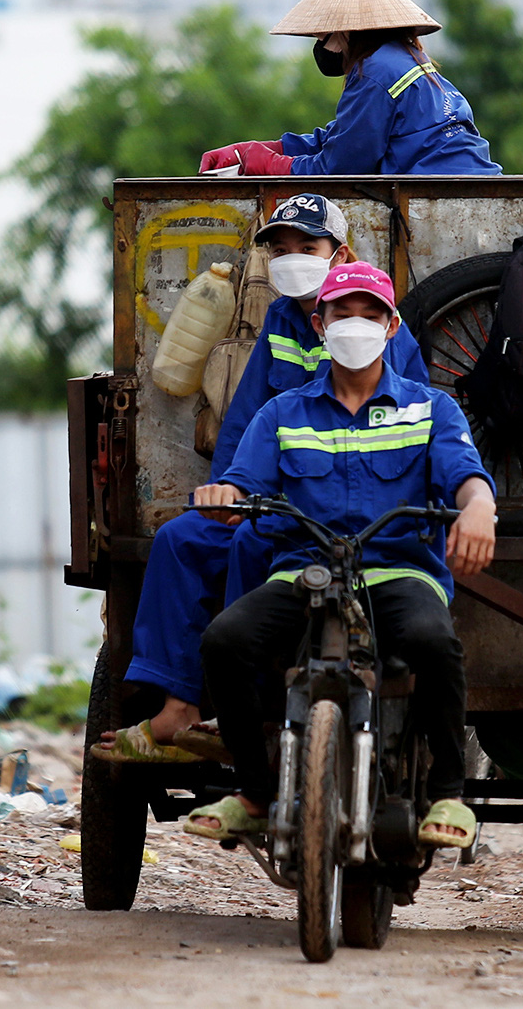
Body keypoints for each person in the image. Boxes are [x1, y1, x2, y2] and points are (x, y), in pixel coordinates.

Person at [91, 196, 430, 762]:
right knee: (180, 539)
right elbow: (248, 419)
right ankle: (179, 705)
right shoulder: (281, 319)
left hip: (336, 514)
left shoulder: (374, 331)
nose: (293, 259)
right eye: (282, 249)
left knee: (253, 544)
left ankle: (243, 712)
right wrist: (230, 491)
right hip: (272, 501)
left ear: (340, 254)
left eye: (308, 247)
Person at [181, 262, 496, 849]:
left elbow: (466, 476)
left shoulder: (430, 408)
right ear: (319, 326)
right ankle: (254, 793)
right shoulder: (282, 413)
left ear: (392, 325)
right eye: (341, 313)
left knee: (434, 642)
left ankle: (449, 793)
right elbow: (242, 483)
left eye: (369, 314)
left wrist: (479, 508)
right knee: (223, 641)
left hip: (399, 570)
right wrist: (224, 497)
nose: (356, 324)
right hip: (304, 572)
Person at [198, 0, 500, 178]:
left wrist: (272, 165)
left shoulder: (374, 72)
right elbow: (347, 136)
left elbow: (340, 166)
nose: (320, 44)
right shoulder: (405, 59)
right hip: (471, 179)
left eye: (321, 36)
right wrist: (272, 148)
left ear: (345, 30)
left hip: (436, 191)